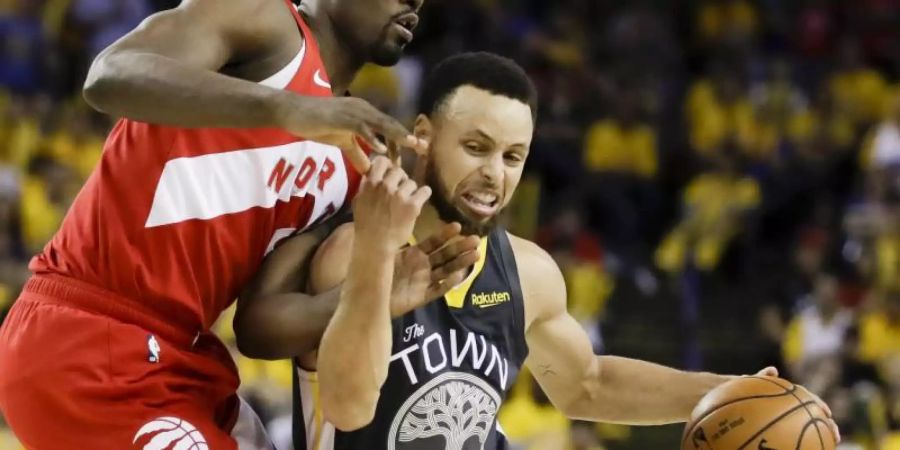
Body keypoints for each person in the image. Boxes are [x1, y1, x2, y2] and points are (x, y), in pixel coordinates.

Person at [237, 52, 841, 450]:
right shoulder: (354, 249)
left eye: (512, 156)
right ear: (421, 136)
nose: (494, 175)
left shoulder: (529, 271)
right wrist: (376, 256)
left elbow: (589, 385)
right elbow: (344, 405)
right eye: (475, 147)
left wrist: (736, 390)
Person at [0, 0, 430, 447]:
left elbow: (257, 328)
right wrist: (290, 109)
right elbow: (109, 74)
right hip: (88, 335)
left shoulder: (355, 158)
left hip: (184, 360)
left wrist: (373, 291)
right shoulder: (262, 20)